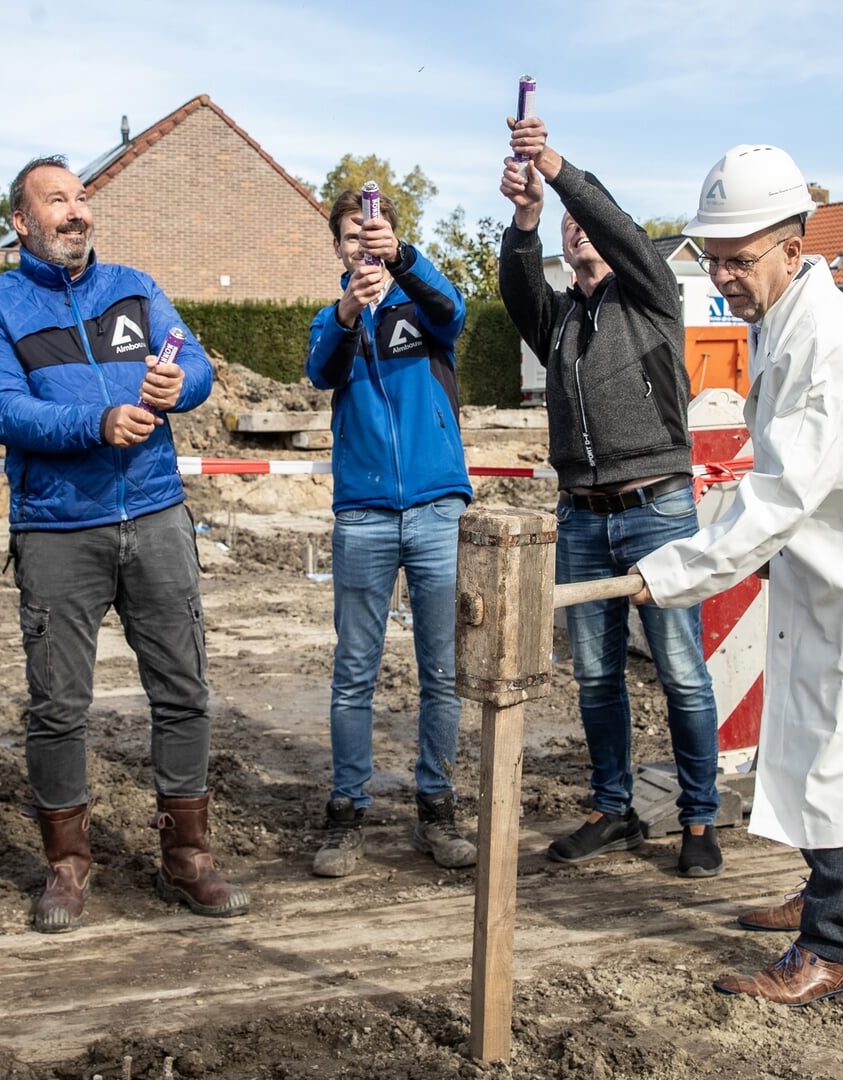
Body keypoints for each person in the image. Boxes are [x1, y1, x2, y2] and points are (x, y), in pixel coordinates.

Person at [630, 144, 843, 1006]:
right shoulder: (781, 322)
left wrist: (672, 570)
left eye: (738, 259)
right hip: (833, 558)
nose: (722, 276)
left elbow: (779, 493)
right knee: (816, 733)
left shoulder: (831, 344)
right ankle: (842, 892)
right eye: (714, 258)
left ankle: (833, 947)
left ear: (793, 246)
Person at [0, 155, 248, 934]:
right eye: (57, 200)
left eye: (82, 197)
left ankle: (187, 859)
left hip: (156, 515)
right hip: (57, 529)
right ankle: (67, 867)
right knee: (58, 705)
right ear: (22, 222)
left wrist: (179, 386)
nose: (77, 211)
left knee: (183, 691)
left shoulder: (134, 287)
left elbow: (196, 364)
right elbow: (3, 410)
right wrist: (96, 423)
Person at [496, 114, 726, 878]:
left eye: (581, 218)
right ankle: (612, 808)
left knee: (681, 671)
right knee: (595, 676)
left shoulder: (652, 293)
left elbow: (616, 223)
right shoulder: (559, 320)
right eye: (566, 226)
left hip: (658, 510)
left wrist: (554, 169)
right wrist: (526, 218)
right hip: (582, 519)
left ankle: (699, 817)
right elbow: (516, 285)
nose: (576, 227)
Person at [304, 187, 476, 878]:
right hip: (364, 515)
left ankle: (437, 807)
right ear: (338, 248)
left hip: (436, 510)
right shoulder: (332, 320)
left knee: (442, 672)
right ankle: (347, 812)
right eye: (352, 236)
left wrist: (403, 260)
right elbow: (321, 371)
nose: (362, 246)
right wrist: (348, 312)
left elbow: (454, 311)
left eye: (373, 234)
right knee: (354, 673)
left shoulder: (420, 305)